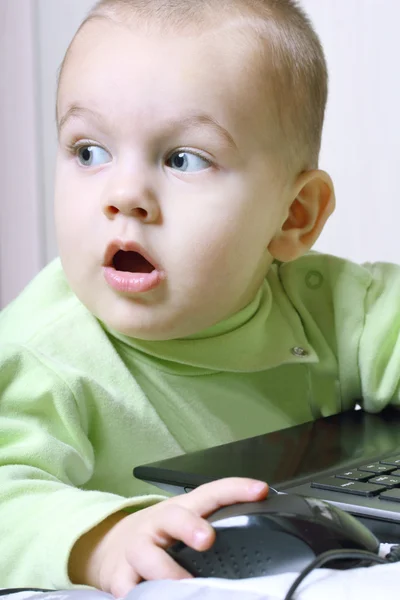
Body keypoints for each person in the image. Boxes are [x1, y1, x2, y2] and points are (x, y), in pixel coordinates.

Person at [1, 0, 400, 597]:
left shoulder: (325, 303)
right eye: (88, 151)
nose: (124, 195)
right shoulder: (40, 357)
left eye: (183, 158)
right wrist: (103, 538)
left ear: (293, 216)